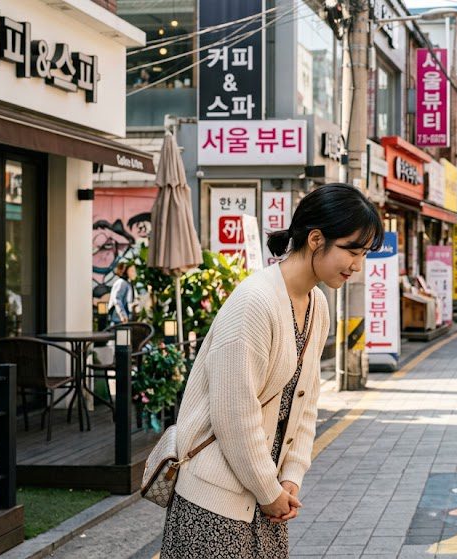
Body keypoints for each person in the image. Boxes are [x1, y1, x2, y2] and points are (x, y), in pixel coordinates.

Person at [160, 183, 383, 559]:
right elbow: (233, 415)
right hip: (216, 502)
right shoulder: (254, 302)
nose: (357, 265)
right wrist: (270, 491)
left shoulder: (317, 306)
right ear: (316, 239)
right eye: (351, 250)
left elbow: (307, 402)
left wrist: (291, 477)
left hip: (266, 498)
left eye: (363, 254)